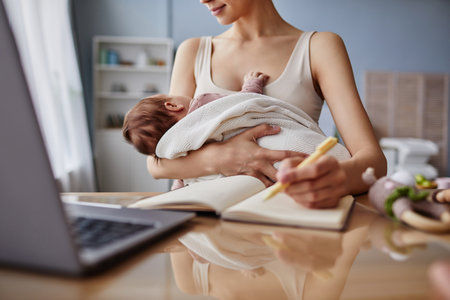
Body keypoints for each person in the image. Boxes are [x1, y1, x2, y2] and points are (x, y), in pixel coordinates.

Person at [147, 0, 387, 208]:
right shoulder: (194, 51)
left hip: (287, 229)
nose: (202, 0)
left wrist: (337, 178)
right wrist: (225, 157)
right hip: (201, 234)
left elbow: (373, 162)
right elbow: (157, 162)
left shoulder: (318, 47)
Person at [122, 71, 269, 157]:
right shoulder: (202, 104)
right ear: (173, 106)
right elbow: (243, 104)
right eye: (168, 95)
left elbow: (181, 184)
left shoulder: (183, 152)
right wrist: (252, 83)